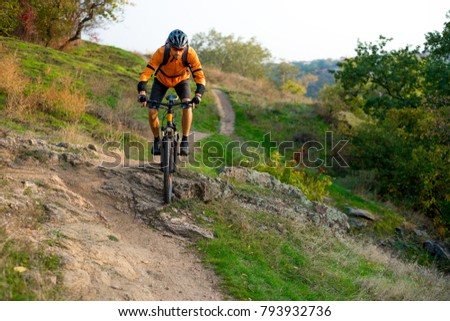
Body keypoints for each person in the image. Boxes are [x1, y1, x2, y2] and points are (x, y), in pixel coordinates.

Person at [137, 29, 206, 156]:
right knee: (152, 109)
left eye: (181, 49)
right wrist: (142, 92)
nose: (178, 52)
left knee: (187, 105)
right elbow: (147, 72)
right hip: (162, 80)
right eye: (175, 49)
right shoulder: (161, 52)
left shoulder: (190, 53)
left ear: (185, 47)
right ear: (169, 45)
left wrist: (198, 95)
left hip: (182, 80)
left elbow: (199, 75)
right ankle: (157, 140)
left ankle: (184, 140)